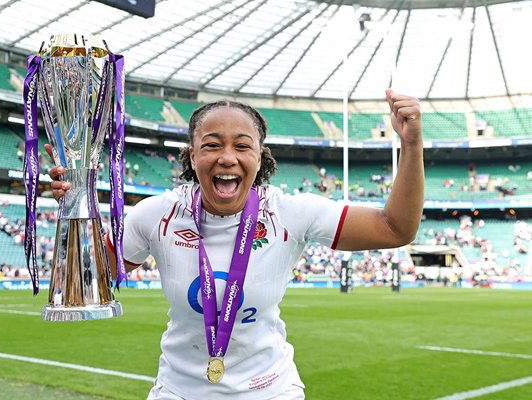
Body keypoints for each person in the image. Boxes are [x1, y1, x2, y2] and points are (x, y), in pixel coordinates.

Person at [46, 88, 423, 400]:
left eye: (243, 146)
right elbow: (92, 281)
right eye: (211, 145)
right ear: (193, 156)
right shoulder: (154, 214)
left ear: (260, 157)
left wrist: (411, 144)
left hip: (271, 390)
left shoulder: (290, 213)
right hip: (179, 391)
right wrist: (77, 210)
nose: (228, 157)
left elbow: (394, 229)